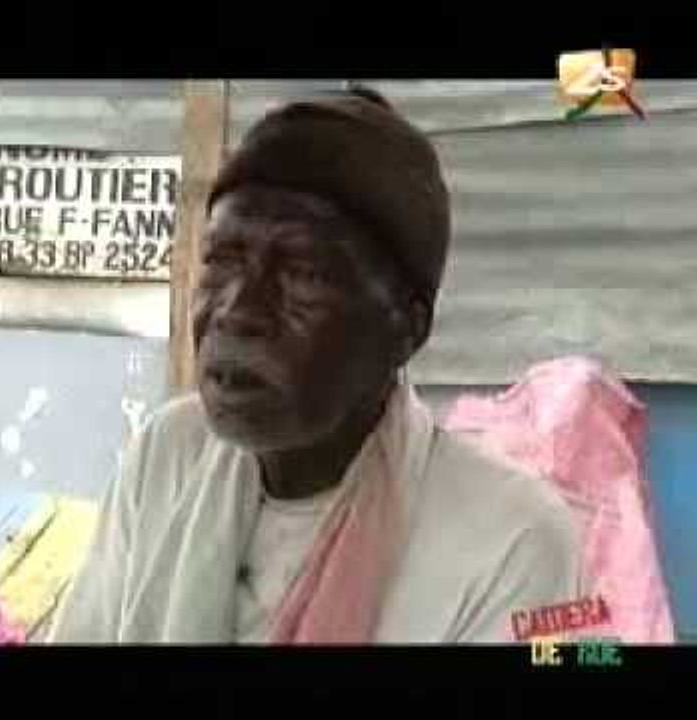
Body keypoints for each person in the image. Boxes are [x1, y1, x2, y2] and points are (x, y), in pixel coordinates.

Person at [50, 87, 581, 643]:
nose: (238, 311)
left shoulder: (517, 540)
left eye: (303, 274)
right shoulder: (169, 453)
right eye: (222, 260)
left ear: (405, 327)